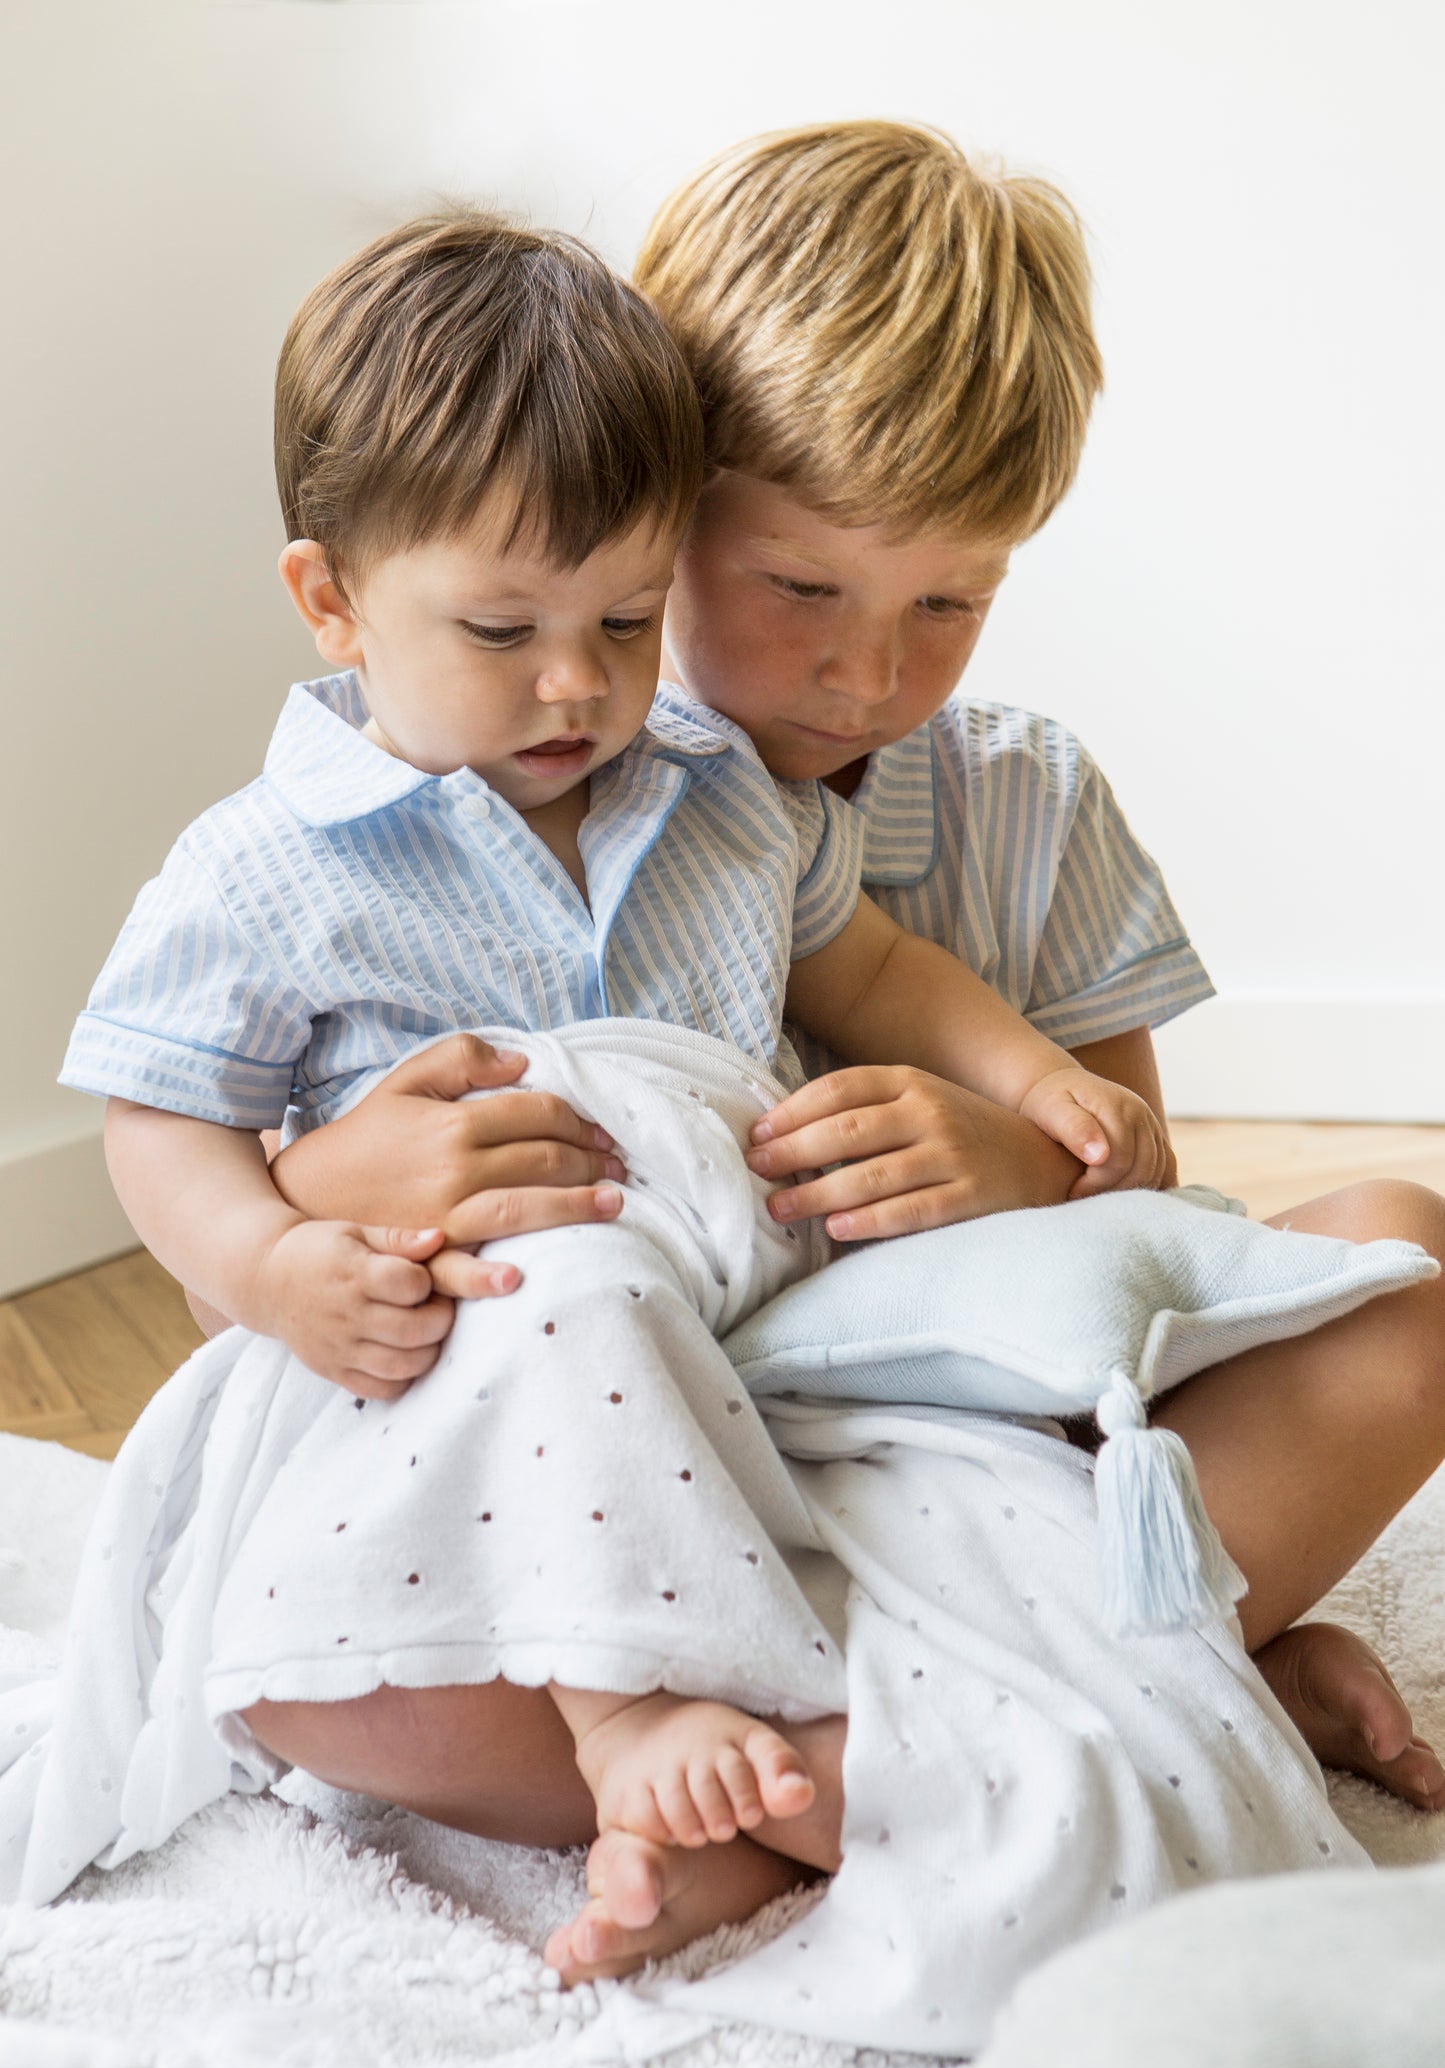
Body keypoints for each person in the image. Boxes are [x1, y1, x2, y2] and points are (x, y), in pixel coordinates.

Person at [258, 128, 1445, 1988]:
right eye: (797, 588)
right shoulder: (470, 811)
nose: (862, 676)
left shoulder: (1022, 801)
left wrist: (1027, 1156)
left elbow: (1154, 1210)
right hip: (623, 1499)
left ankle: (959, 1728)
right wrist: (330, 1194)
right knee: (322, 1691)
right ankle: (1102, 1706)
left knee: (1403, 1261)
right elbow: (293, 1323)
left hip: (958, 1475)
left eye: (947, 603)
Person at [48, 208, 1170, 1895]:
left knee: (1139, 1382)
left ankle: (985, 1706)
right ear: (330, 604)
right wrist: (276, 1253)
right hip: (509, 1336)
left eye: (627, 626)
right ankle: (634, 1719)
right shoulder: (266, 866)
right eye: (505, 635)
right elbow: (159, 1122)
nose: (577, 686)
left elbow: (868, 961)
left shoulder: (714, 793)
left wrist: (1029, 1088)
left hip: (778, 1321)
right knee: (569, 1294)